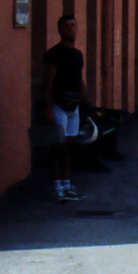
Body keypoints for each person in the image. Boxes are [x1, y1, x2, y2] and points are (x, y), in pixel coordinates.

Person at [41, 15, 89, 202]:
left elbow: (79, 79)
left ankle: (67, 184)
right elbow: (48, 82)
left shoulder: (77, 54)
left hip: (74, 105)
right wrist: (48, 108)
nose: (71, 29)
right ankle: (56, 186)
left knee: (69, 146)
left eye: (73, 26)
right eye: (66, 26)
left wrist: (85, 101)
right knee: (57, 146)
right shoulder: (54, 54)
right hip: (58, 104)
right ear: (60, 31)